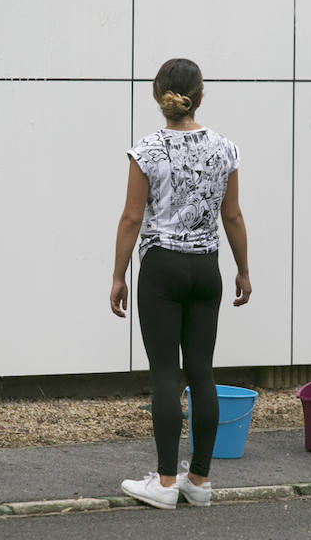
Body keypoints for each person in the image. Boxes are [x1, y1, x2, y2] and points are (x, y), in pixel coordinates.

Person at [110, 58, 252, 508]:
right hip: (205, 269)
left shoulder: (147, 150)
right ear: (201, 95)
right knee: (202, 372)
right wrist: (243, 269)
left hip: (161, 269)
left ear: (158, 97)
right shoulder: (225, 148)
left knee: (166, 375)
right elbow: (232, 215)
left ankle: (166, 483)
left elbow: (133, 217)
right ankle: (200, 481)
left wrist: (118, 274)